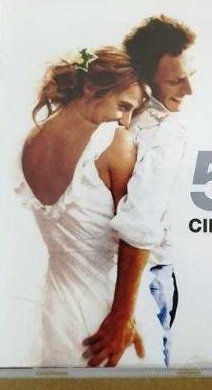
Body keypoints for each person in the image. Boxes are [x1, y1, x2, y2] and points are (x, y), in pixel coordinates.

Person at [17, 46, 151, 367]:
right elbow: (136, 234)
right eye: (123, 106)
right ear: (90, 88)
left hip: (51, 309)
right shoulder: (114, 142)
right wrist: (123, 317)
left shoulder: (32, 140)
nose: (126, 121)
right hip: (104, 319)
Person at [83, 16, 197, 367]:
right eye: (176, 81)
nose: (189, 90)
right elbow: (141, 224)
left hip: (108, 273)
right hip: (142, 280)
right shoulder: (162, 133)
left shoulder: (118, 115)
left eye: (190, 76)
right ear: (148, 80)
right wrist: (123, 316)